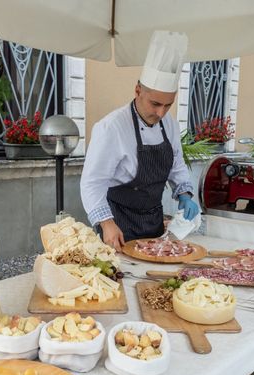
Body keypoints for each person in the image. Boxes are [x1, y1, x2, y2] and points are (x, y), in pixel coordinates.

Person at [80, 31, 200, 252]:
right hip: (119, 223)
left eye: (168, 105)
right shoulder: (111, 128)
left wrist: (184, 195)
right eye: (155, 104)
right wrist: (106, 224)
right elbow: (92, 182)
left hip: (153, 222)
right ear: (137, 90)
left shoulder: (170, 125)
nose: (161, 112)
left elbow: (176, 164)